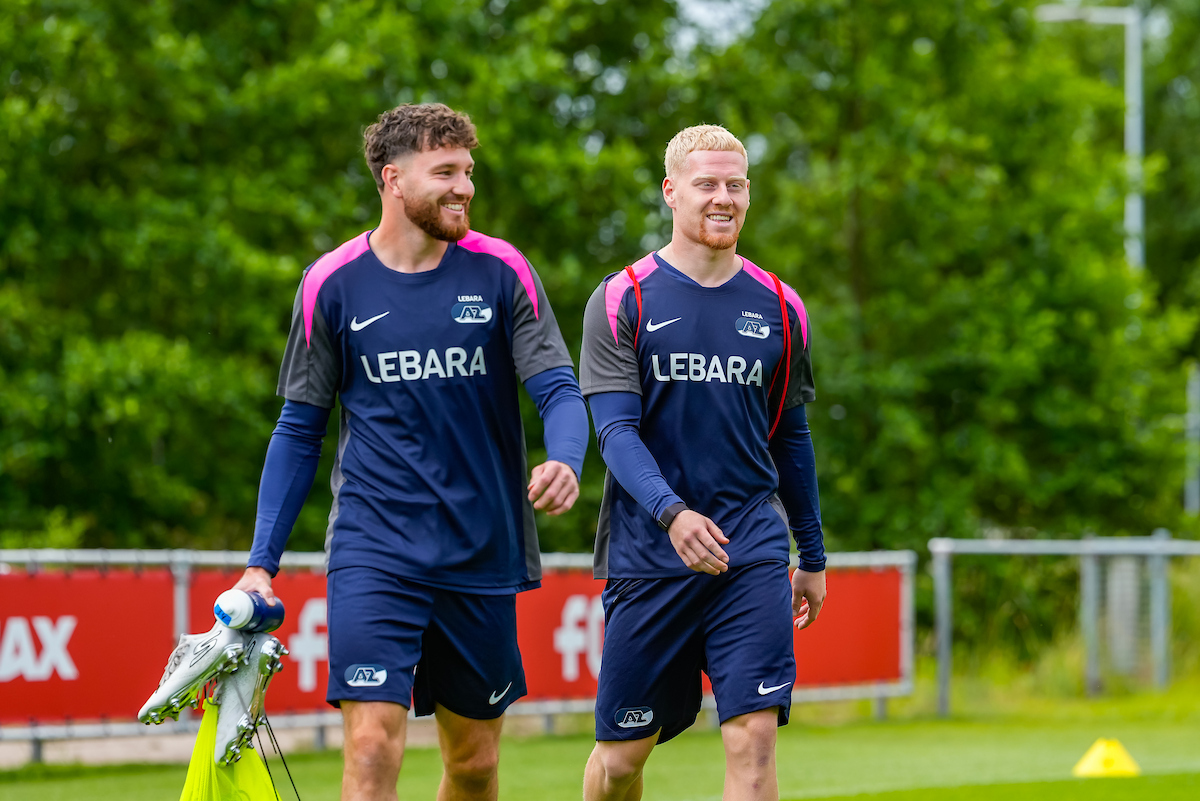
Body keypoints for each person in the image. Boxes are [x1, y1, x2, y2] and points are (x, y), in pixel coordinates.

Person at [231, 103, 588, 801]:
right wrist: (258, 565)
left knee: (475, 764)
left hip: (482, 549)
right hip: (375, 546)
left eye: (469, 172)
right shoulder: (330, 283)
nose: (465, 188)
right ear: (393, 180)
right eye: (445, 172)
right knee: (369, 751)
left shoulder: (503, 271)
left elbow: (559, 390)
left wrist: (566, 456)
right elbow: (299, 430)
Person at [577, 124, 826, 801]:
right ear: (671, 192)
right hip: (650, 554)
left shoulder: (781, 305)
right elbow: (616, 431)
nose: (723, 197)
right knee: (621, 759)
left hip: (750, 549)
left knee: (754, 739)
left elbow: (790, 438)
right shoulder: (622, 297)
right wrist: (672, 514)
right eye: (707, 184)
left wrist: (812, 554)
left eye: (735, 184)